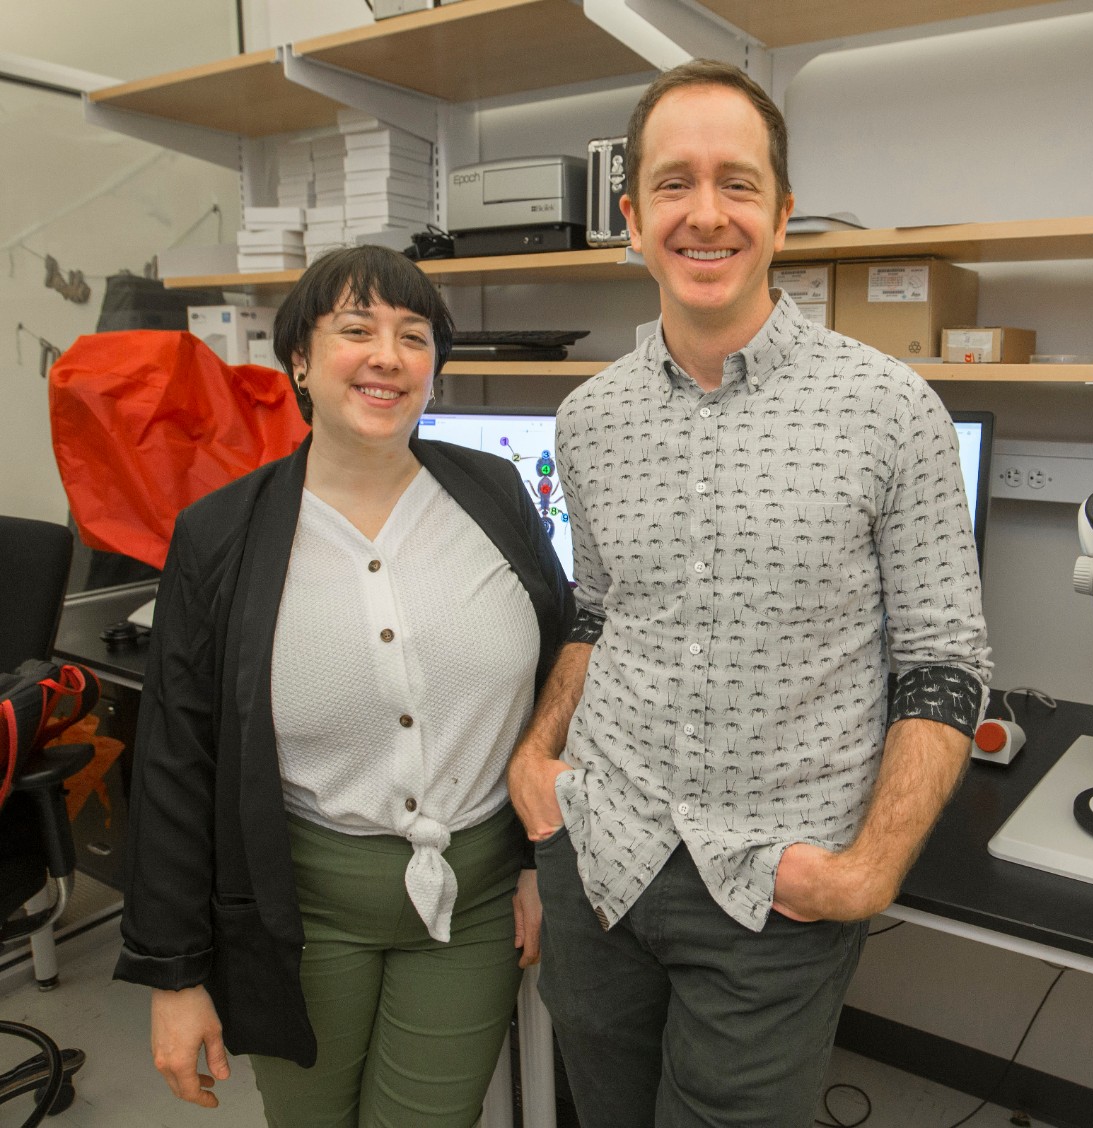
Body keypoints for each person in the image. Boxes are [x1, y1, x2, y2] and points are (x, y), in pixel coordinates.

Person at [507, 59, 992, 1128]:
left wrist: (865, 872)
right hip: (603, 862)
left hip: (775, 885)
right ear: (632, 219)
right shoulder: (588, 419)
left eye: (736, 182)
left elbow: (944, 663)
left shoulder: (889, 410)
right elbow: (597, 610)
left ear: (779, 212)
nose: (705, 213)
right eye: (673, 184)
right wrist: (538, 755)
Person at [114, 244, 575, 1127]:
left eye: (413, 336)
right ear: (300, 358)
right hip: (300, 914)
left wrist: (538, 860)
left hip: (473, 905)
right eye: (356, 330)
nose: (388, 357)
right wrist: (172, 976)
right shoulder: (221, 535)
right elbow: (176, 761)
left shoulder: (494, 492)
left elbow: (558, 680)